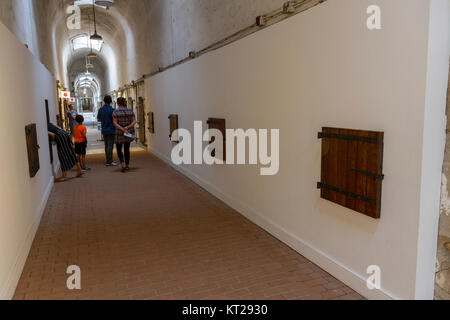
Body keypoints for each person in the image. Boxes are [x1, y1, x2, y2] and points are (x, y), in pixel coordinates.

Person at [113, 97, 137, 172]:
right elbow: (134, 121)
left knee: (119, 149)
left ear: (118, 103)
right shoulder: (130, 111)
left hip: (119, 132)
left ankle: (122, 163)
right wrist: (127, 127)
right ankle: (127, 164)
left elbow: (115, 123)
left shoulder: (115, 112)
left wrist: (122, 129)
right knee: (127, 149)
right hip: (128, 132)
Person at [97, 95, 117, 166]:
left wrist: (104, 119)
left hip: (104, 129)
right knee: (110, 146)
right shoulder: (112, 110)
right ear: (111, 102)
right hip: (111, 129)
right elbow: (115, 120)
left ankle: (108, 159)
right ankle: (109, 161)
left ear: (104, 101)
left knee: (106, 145)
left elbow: (98, 119)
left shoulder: (100, 109)